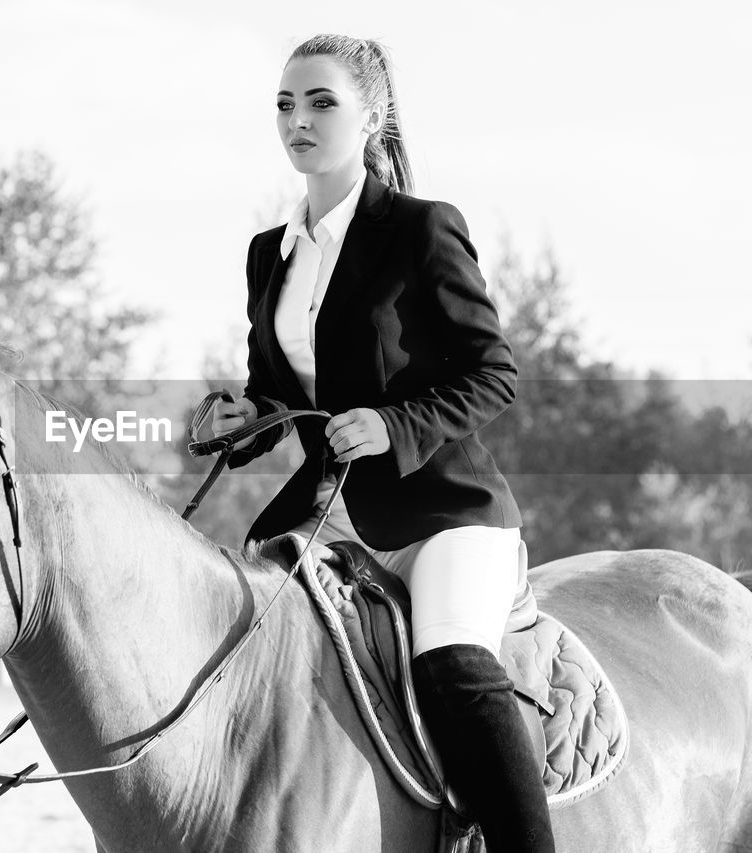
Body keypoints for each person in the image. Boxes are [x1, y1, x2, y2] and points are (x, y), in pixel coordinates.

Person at [211, 34, 554, 852]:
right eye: (286, 105)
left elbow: (492, 371)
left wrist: (393, 424)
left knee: (451, 666)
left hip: (445, 515)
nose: (299, 120)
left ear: (373, 116)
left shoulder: (423, 229)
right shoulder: (270, 253)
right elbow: (281, 393)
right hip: (332, 516)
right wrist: (239, 420)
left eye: (321, 102)